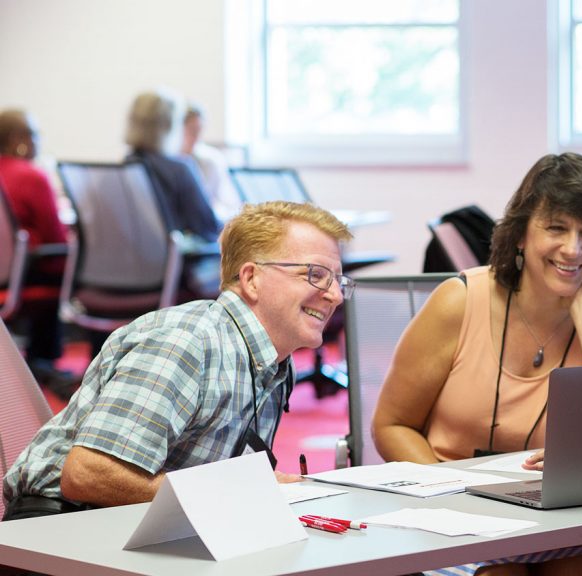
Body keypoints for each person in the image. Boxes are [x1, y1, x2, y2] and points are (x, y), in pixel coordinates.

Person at [373, 153, 582, 575]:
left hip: (576, 522)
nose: (572, 248)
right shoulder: (460, 301)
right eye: (556, 227)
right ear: (521, 234)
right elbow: (392, 425)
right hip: (455, 511)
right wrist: (454, 494)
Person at [2, 201, 352, 519]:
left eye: (338, 280)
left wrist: (272, 487)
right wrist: (228, 495)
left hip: (140, 525)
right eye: (316, 275)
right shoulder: (186, 342)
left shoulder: (272, 363)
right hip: (60, 529)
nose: (335, 296)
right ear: (251, 279)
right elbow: (88, 475)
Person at [0, 108, 76, 396]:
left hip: (7, 274)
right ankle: (44, 361)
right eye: (34, 135)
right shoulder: (31, 176)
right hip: (26, 277)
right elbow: (57, 244)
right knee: (70, 268)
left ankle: (40, 362)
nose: (38, 142)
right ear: (19, 139)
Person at [125, 90, 221, 243]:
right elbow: (208, 228)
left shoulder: (124, 168)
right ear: (170, 125)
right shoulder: (180, 170)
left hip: (135, 262)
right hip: (180, 262)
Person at [181, 102, 241, 219]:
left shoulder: (211, 160)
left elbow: (230, 205)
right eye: (192, 130)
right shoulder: (167, 160)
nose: (196, 137)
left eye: (199, 131)